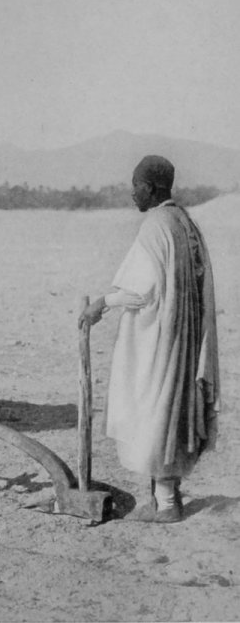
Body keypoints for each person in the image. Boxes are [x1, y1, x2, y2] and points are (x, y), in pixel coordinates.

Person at [78, 155, 220, 523]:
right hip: (184, 338)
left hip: (160, 339)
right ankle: (165, 498)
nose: (132, 193)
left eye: (136, 185)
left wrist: (102, 304)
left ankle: (167, 504)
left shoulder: (155, 227)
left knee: (153, 411)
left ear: (152, 189)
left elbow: (141, 292)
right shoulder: (184, 222)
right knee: (171, 409)